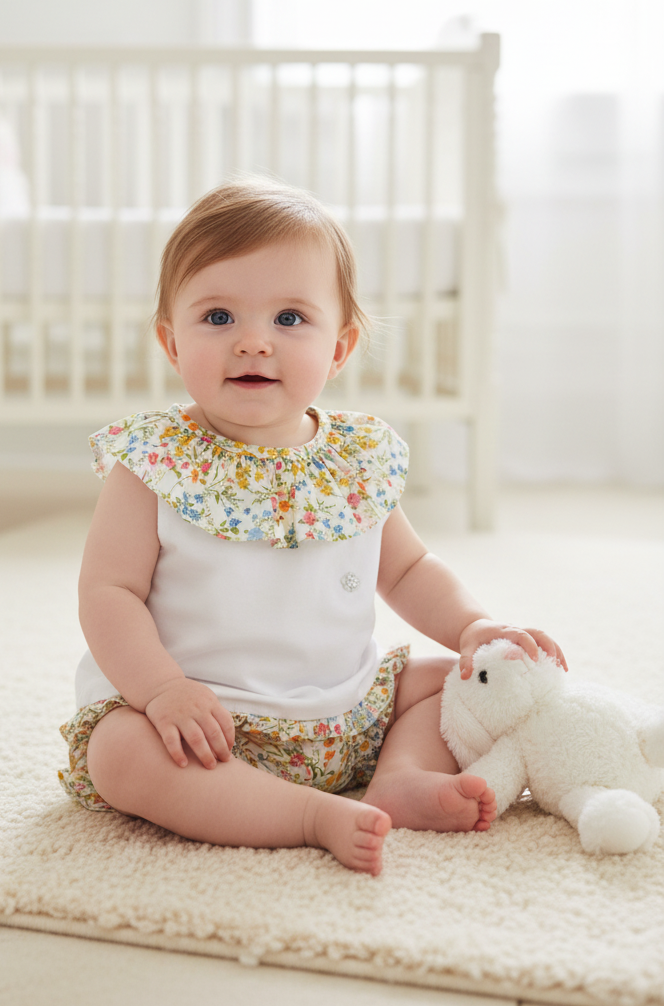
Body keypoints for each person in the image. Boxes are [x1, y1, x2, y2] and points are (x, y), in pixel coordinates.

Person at [59, 178, 567, 876]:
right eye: (217, 318)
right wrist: (160, 691)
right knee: (119, 754)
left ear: (340, 347)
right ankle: (301, 815)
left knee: (460, 678)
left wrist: (472, 628)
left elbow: (410, 570)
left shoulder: (353, 460)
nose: (254, 344)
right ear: (170, 342)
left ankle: (399, 775)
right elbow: (107, 591)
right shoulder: (153, 465)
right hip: (205, 727)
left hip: (348, 709)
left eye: (290, 319)